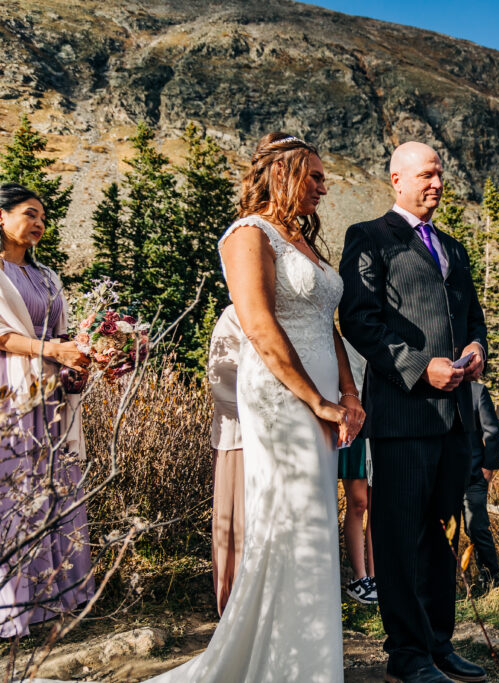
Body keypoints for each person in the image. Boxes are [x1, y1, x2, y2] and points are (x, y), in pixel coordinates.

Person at [131, 133, 364, 683]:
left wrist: (349, 397)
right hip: (282, 398)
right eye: (314, 176)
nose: (323, 188)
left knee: (310, 524)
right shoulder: (247, 235)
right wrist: (317, 401)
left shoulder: (302, 241)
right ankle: (287, 664)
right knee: (293, 522)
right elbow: (259, 326)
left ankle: (305, 660)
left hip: (326, 397)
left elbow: (329, 327)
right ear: (281, 174)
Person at [339, 141, 488, 683]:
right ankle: (405, 656)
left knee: (438, 533)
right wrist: (420, 367)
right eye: (426, 174)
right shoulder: (370, 238)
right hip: (402, 417)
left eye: (440, 175)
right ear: (396, 179)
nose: (437, 183)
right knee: (399, 535)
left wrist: (476, 351)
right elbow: (358, 320)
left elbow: (473, 317)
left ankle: (438, 645)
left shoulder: (452, 246)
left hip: (454, 418)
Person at [0, 184, 94, 638]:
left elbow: (64, 331)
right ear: (0, 218)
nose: (39, 223)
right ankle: (14, 606)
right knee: (15, 487)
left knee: (54, 483)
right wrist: (51, 348)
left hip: (50, 391)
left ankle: (56, 595)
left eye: (43, 217)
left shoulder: (48, 277)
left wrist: (83, 356)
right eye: (29, 214)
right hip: (9, 390)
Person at [207, 304, 244, 615]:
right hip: (242, 439)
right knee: (240, 524)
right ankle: (236, 606)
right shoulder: (233, 316)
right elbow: (221, 378)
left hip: (286, 441)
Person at [339, 338, 376, 604]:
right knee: (358, 503)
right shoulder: (342, 343)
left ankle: (376, 575)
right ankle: (358, 577)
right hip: (354, 427)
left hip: (380, 427)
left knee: (377, 505)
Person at [462, 381, 499, 588]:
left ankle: (490, 580)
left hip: (474, 476)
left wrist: (489, 466)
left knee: (476, 528)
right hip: (442, 477)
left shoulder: (477, 391)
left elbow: (492, 432)